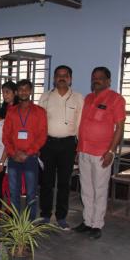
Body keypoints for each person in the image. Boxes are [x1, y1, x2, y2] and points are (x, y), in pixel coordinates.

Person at [74, 67, 126, 239]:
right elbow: (83, 126)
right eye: (94, 78)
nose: (96, 80)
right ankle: (87, 221)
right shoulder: (88, 98)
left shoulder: (116, 99)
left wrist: (111, 151)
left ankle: (97, 225)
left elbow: (119, 127)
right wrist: (78, 149)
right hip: (84, 151)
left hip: (102, 153)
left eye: (101, 78)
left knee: (100, 189)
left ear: (108, 81)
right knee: (86, 189)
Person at [38, 65, 84, 230]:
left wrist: (79, 147)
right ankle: (44, 214)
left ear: (70, 78)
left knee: (64, 182)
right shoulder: (45, 97)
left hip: (68, 144)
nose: (62, 78)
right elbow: (40, 123)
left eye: (65, 75)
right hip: (48, 144)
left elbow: (80, 125)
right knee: (46, 182)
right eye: (58, 75)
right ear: (54, 78)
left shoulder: (78, 98)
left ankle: (62, 217)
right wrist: (39, 145)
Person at [2, 79, 47, 219]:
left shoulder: (39, 111)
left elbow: (42, 135)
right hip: (14, 158)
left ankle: (29, 225)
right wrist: (12, 152)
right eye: (20, 89)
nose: (23, 92)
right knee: (14, 192)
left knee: (31, 193)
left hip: (30, 158)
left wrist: (27, 153)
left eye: (26, 89)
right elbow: (6, 135)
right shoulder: (11, 112)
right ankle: (15, 223)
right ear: (16, 92)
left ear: (31, 91)